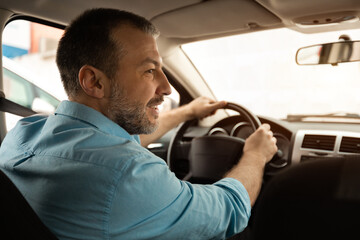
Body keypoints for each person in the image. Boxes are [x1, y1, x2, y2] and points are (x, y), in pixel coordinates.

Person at [0, 8, 277, 240]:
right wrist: (256, 154)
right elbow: (229, 211)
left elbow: (110, 145)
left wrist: (186, 112)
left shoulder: (23, 135)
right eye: (149, 71)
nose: (167, 87)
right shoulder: (127, 174)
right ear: (95, 82)